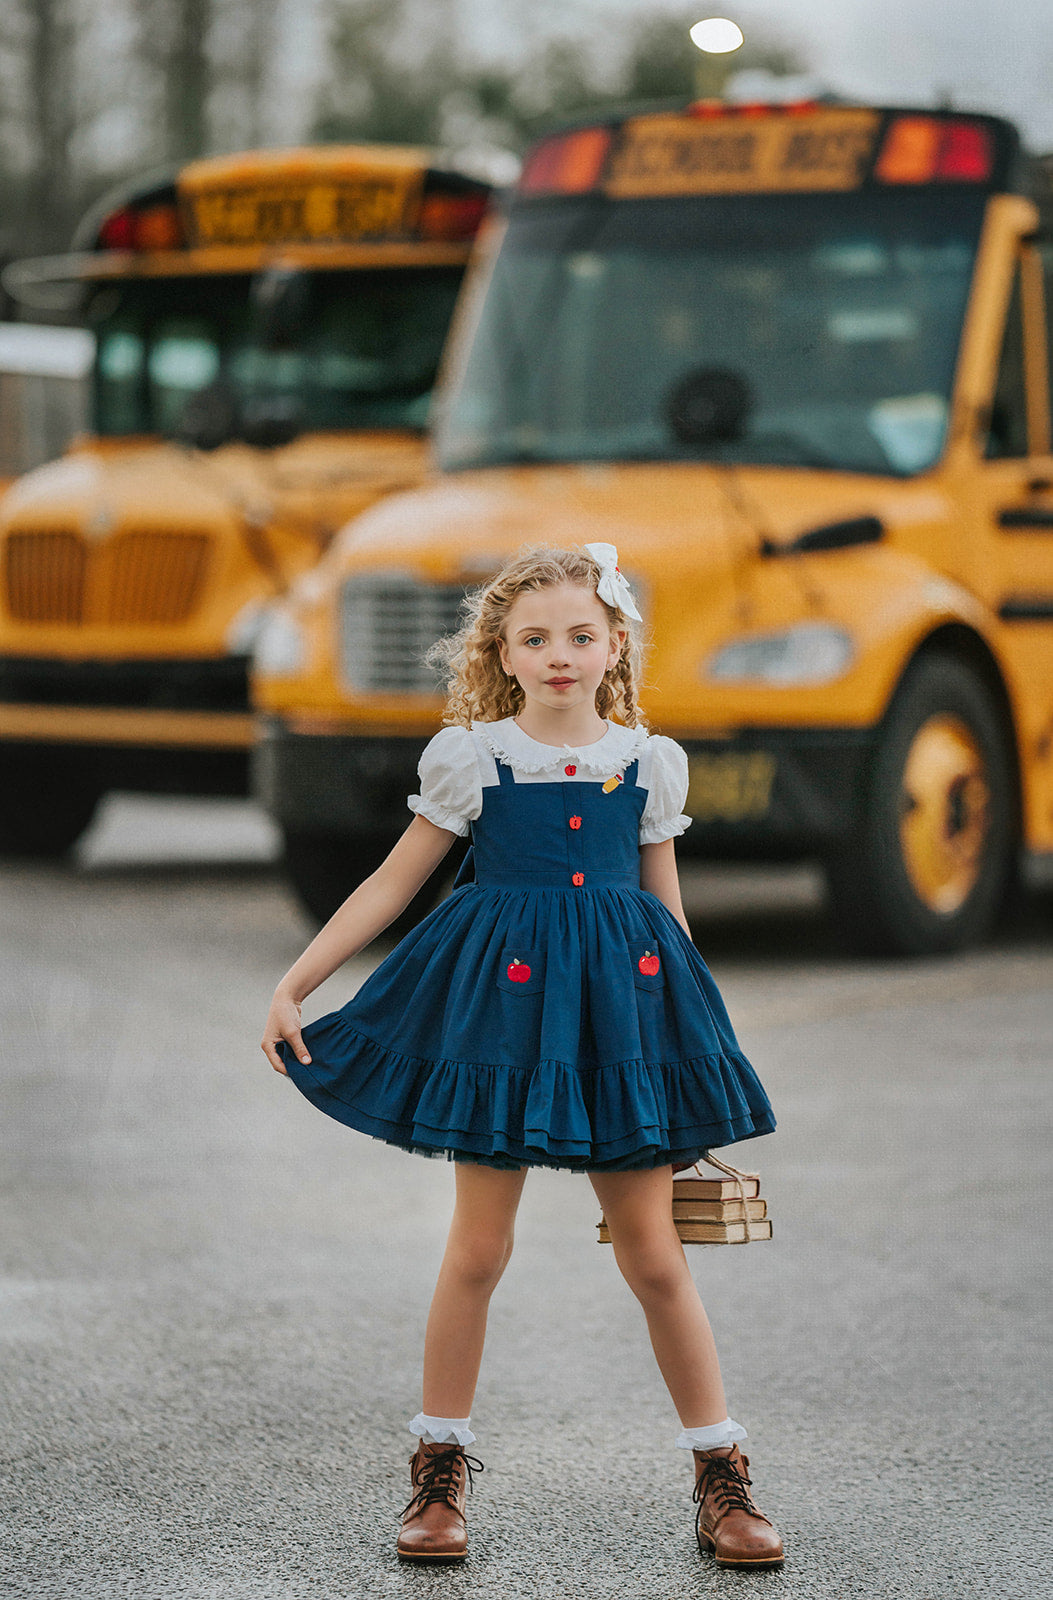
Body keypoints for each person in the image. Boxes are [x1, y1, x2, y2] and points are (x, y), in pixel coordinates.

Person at [261, 543, 783, 1570]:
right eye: (534, 637)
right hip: (501, 1028)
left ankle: (721, 1474)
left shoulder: (649, 761)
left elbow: (667, 916)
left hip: (621, 1026)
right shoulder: (474, 756)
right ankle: (438, 1471)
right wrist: (297, 983)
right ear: (501, 651)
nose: (558, 655)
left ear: (614, 645)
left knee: (653, 1255)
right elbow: (390, 885)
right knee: (477, 1251)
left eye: (579, 636)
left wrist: (692, 1048)